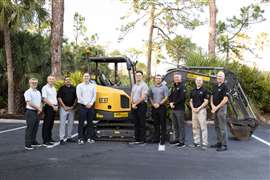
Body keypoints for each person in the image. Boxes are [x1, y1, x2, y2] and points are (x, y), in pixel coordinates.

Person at [149, 74, 169, 151]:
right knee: (156, 123)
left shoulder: (165, 87)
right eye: (157, 78)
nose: (158, 80)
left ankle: (163, 139)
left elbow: (166, 97)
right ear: (155, 79)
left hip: (162, 108)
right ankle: (156, 138)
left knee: (163, 124)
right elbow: (150, 97)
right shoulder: (152, 87)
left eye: (159, 78)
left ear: (161, 79)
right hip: (154, 107)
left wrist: (159, 104)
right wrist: (153, 104)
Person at [210, 71, 229, 152]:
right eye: (218, 76)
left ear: (224, 78)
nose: (219, 77)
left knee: (222, 127)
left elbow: (225, 99)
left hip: (221, 108)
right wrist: (212, 106)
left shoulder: (225, 86)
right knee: (217, 126)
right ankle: (219, 142)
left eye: (221, 76)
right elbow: (211, 96)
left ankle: (224, 145)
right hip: (215, 108)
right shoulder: (215, 86)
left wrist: (216, 107)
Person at [129, 70, 149, 145]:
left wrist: (135, 104)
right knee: (136, 123)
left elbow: (143, 97)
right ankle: (136, 139)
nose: (138, 77)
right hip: (134, 105)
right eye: (137, 75)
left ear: (142, 76)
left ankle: (142, 140)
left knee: (141, 123)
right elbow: (132, 94)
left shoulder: (144, 85)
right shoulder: (134, 85)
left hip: (141, 105)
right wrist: (132, 103)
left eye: (139, 75)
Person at [76, 72, 96, 144]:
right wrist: (85, 104)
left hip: (90, 106)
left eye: (87, 76)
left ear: (89, 77)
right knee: (81, 123)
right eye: (85, 76)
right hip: (82, 106)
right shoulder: (79, 86)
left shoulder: (93, 86)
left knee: (90, 123)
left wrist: (90, 104)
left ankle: (89, 138)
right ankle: (80, 138)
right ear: (83, 77)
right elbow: (79, 96)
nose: (86, 77)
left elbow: (94, 96)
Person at [190, 77, 209, 150]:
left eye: (200, 80)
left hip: (201, 110)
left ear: (202, 82)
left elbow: (206, 101)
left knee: (203, 127)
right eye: (197, 80)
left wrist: (199, 108)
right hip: (194, 110)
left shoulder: (205, 90)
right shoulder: (193, 90)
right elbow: (190, 101)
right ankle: (196, 142)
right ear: (195, 81)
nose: (198, 81)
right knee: (195, 127)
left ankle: (204, 143)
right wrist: (192, 108)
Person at [24, 78, 42, 150]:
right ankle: (27, 145)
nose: (34, 84)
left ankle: (33, 142)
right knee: (30, 128)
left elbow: (40, 102)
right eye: (33, 83)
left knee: (35, 128)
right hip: (30, 112)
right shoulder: (28, 92)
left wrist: (40, 109)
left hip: (37, 112)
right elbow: (29, 103)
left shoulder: (38, 92)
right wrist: (38, 108)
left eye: (35, 83)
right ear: (29, 83)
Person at [57, 76, 77, 145]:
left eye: (69, 80)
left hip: (72, 108)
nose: (68, 81)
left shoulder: (74, 88)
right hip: (64, 108)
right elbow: (59, 98)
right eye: (66, 80)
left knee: (70, 123)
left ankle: (69, 137)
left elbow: (76, 98)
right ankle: (61, 139)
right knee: (62, 124)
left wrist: (73, 106)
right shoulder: (61, 88)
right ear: (64, 81)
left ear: (70, 81)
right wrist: (64, 106)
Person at [168, 73, 186, 148]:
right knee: (175, 125)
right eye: (175, 77)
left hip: (180, 109)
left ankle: (182, 142)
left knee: (180, 126)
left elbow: (182, 98)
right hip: (173, 109)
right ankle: (177, 139)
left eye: (178, 77)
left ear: (180, 78)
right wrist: (170, 103)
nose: (176, 79)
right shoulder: (173, 87)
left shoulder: (182, 86)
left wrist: (174, 103)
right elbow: (170, 96)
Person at [42, 75, 58, 147]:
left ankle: (49, 138)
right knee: (47, 124)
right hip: (49, 107)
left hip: (54, 107)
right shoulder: (45, 88)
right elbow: (44, 99)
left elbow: (54, 98)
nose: (51, 80)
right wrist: (53, 106)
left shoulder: (54, 88)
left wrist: (56, 106)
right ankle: (45, 140)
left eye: (52, 79)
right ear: (47, 80)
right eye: (50, 79)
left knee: (51, 124)